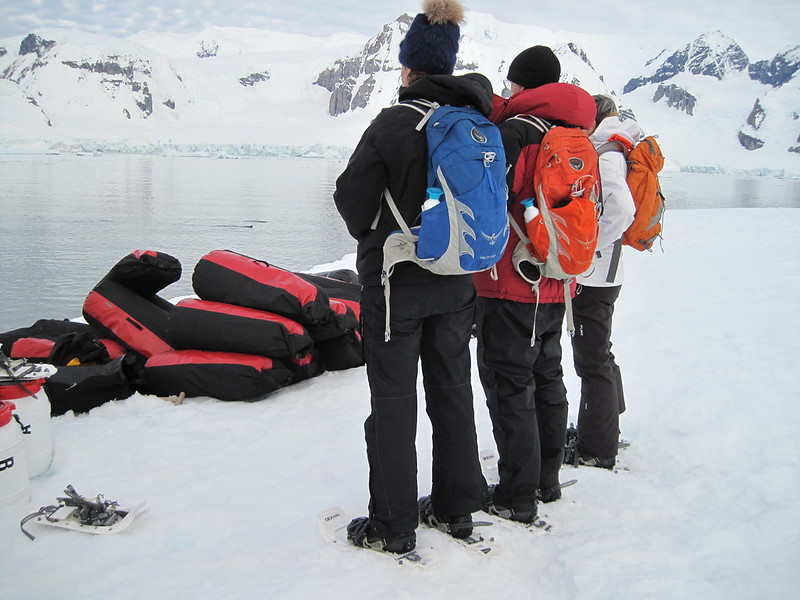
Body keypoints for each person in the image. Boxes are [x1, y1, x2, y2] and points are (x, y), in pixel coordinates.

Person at [333, 0, 488, 554]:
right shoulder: (476, 123)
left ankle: (394, 527)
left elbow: (351, 201)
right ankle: (456, 510)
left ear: (408, 68)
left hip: (397, 286)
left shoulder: (394, 122)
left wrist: (377, 237)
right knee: (452, 393)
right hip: (459, 282)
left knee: (394, 403)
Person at [473, 46, 597, 521]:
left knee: (510, 385)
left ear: (525, 85)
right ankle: (545, 482)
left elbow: (488, 197)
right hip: (557, 280)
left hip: (509, 281)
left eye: (513, 83)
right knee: (548, 379)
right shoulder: (576, 135)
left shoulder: (516, 132)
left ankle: (515, 496)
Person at [569, 95, 643, 469]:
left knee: (591, 357)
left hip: (597, 274)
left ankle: (597, 446)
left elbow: (622, 209)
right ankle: (605, 421)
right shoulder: (616, 145)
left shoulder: (608, 152)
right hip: (603, 271)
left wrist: (587, 247)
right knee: (599, 352)